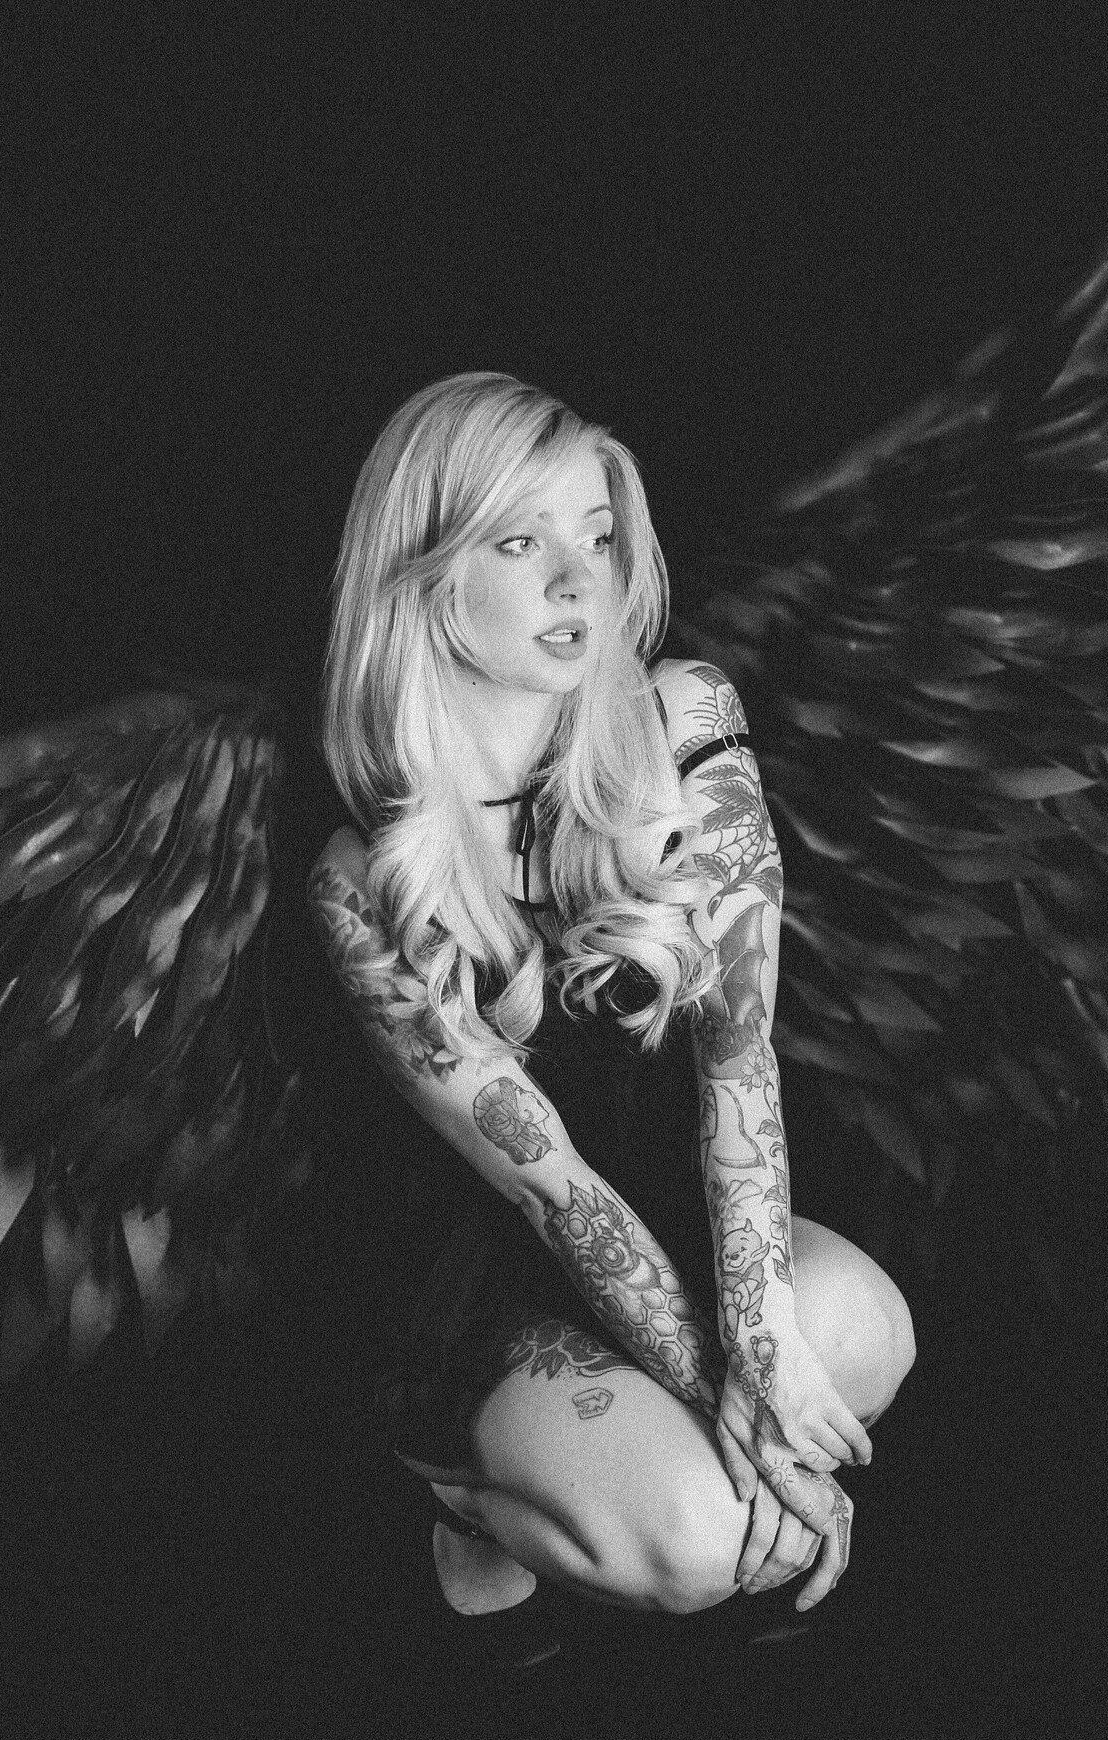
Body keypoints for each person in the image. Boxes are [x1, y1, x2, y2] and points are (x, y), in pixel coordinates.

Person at [310, 372, 915, 1624]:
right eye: (518, 543)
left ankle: (634, 1459)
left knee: (864, 1334)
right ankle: (465, 1499)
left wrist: (758, 1356)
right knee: (702, 1542)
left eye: (595, 538)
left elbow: (738, 1056)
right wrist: (739, 1423)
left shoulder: (681, 715)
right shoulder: (363, 876)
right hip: (489, 1256)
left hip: (674, 1196)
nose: (576, 582)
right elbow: (552, 1189)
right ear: (419, 572)